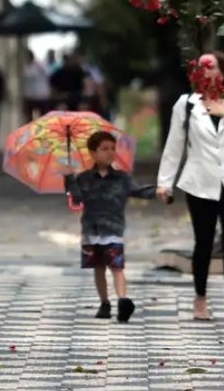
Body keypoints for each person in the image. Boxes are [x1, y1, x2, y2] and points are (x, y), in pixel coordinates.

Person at [155, 51, 224, 327]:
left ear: (221, 71)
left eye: (210, 66)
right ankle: (200, 298)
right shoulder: (186, 104)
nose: (204, 71)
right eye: (200, 67)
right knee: (203, 243)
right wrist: (164, 182)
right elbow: (174, 144)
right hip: (199, 183)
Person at [65, 131, 158, 323]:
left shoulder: (122, 178)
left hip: (113, 230)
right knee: (98, 267)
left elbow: (139, 190)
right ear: (92, 153)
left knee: (117, 267)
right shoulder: (83, 178)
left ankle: (123, 301)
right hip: (91, 231)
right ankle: (104, 302)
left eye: (112, 149)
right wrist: (69, 180)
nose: (109, 153)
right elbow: (76, 199)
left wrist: (159, 192)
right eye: (104, 149)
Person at [22, 51, 52, 122]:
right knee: (28, 118)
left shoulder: (40, 65)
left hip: (41, 96)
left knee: (43, 117)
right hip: (29, 96)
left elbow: (48, 74)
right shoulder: (25, 67)